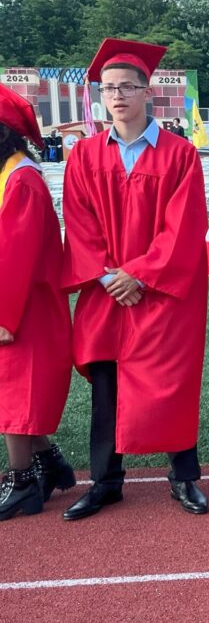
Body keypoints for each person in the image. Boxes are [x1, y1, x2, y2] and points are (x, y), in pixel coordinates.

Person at [60, 38, 209, 520]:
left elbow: (184, 227)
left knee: (172, 383)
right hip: (107, 292)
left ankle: (183, 477)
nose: (118, 95)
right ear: (102, 96)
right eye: (109, 88)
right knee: (106, 384)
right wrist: (109, 276)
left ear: (149, 93)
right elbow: (79, 224)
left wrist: (139, 274)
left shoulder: (180, 155)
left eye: (128, 86)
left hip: (161, 293)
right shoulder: (84, 156)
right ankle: (105, 482)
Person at [0, 86, 75, 520]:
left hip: (24, 306)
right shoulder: (11, 172)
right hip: (19, 301)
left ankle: (22, 480)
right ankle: (50, 463)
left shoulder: (22, 179)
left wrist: (4, 315)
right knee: (11, 395)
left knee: (14, 395)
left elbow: (16, 253)